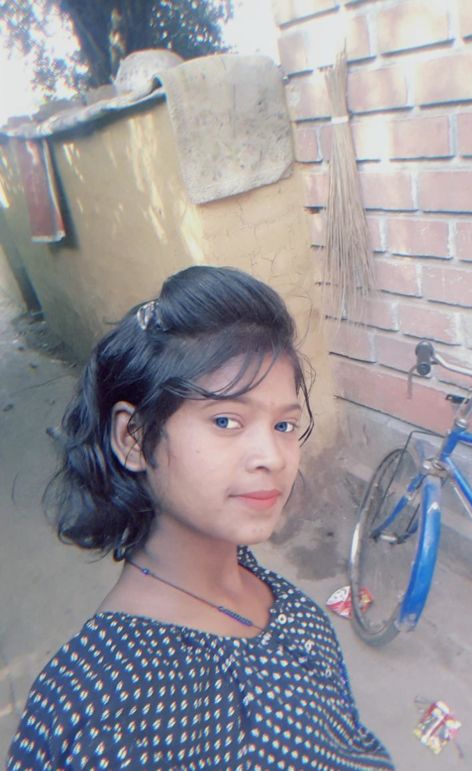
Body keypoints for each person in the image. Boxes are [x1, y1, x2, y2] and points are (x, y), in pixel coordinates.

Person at [7, 266, 394, 770]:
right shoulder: (105, 710)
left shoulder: (268, 592)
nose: (273, 457)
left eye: (284, 424)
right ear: (133, 438)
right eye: (226, 420)